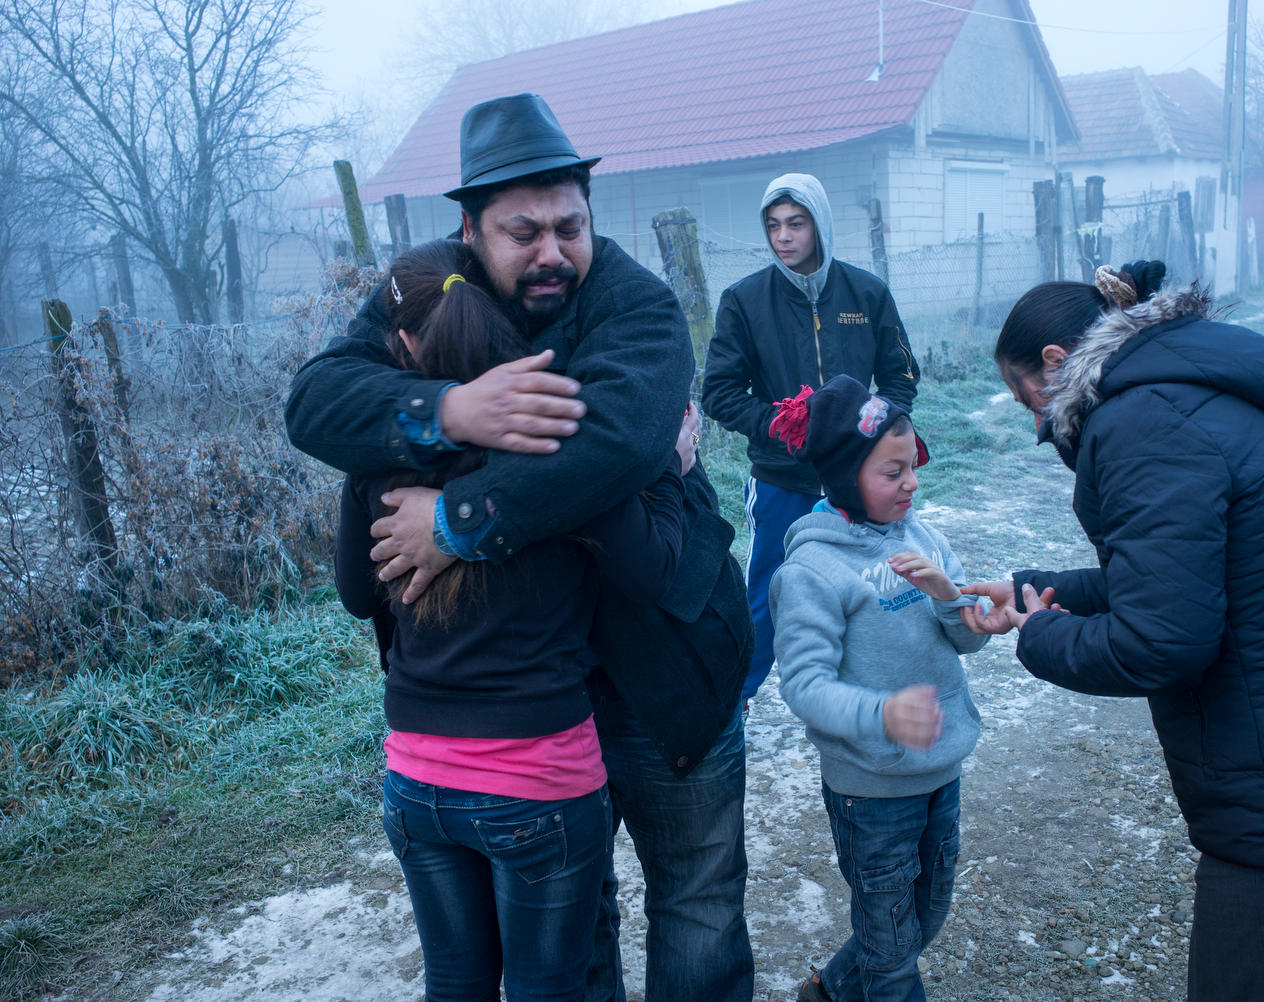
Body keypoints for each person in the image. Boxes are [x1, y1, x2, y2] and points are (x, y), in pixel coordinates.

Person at [285, 93, 753, 1002]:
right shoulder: (430, 290)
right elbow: (316, 402)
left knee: (696, 906)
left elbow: (616, 446)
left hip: (665, 653)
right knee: (579, 929)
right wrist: (450, 409)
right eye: (523, 232)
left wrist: (454, 521)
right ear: (470, 232)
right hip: (535, 697)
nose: (552, 252)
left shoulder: (637, 307)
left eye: (569, 227)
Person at [961, 262, 1264, 1001]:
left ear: (1055, 362)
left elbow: (1161, 640)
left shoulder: (1141, 424)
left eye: (1027, 398)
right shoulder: (1184, 391)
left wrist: (1039, 633)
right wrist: (1031, 589)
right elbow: (1184, 578)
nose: (1036, 424)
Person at [334, 239, 696, 1001]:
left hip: (417, 776)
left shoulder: (375, 457)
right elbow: (649, 570)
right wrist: (666, 467)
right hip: (538, 779)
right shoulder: (557, 448)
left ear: (405, 346)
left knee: (455, 984)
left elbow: (358, 596)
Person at [765, 374, 987, 1002]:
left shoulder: (924, 538)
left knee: (924, 918)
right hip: (871, 790)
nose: (912, 483)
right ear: (845, 479)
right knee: (891, 953)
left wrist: (951, 597)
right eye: (893, 472)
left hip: (940, 769)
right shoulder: (812, 571)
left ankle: (830, 990)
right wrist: (883, 712)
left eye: (913, 465)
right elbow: (803, 686)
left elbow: (968, 641)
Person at [702, 172, 920, 705]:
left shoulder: (867, 292)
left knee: (877, 584)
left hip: (860, 479)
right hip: (782, 478)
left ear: (819, 224)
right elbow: (719, 393)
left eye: (796, 223)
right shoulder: (744, 300)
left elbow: (900, 376)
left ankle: (872, 693)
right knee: (768, 592)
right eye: (773, 225)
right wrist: (778, 425)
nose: (783, 236)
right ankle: (736, 702)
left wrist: (876, 428)